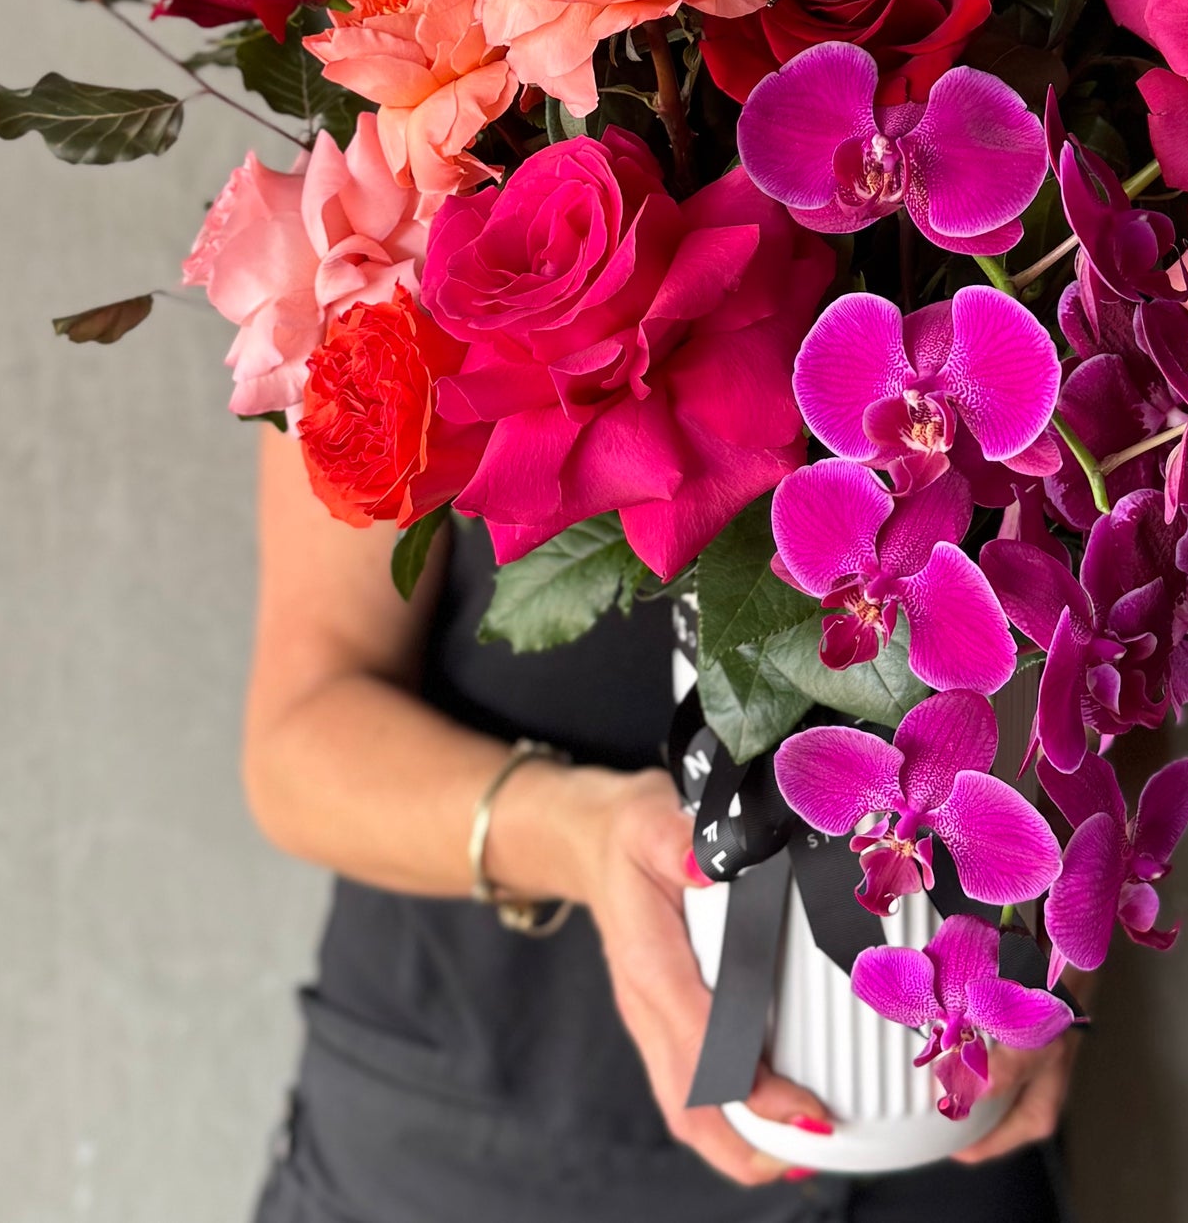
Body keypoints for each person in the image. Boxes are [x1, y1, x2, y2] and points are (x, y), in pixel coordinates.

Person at [243, 428, 1080, 1222]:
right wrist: (578, 834)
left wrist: (1080, 905)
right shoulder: (370, 285)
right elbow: (295, 742)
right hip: (479, 1146)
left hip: (942, 1143)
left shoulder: (1049, 297)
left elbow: (1102, 638)